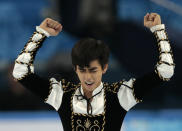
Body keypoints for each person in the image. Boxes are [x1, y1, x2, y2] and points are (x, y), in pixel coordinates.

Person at [12, 13, 175, 131]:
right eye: (82, 70)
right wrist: (40, 34)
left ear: (104, 68)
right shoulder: (61, 95)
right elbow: (20, 72)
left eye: (93, 70)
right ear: (75, 69)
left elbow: (166, 71)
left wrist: (159, 31)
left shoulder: (120, 95)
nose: (88, 77)